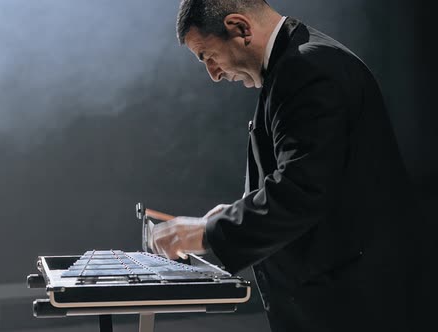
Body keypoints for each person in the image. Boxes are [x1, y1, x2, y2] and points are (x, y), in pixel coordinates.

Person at [151, 1, 416, 331]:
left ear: (239, 28)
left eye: (208, 56)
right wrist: (234, 213)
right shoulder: (299, 63)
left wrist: (208, 233)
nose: (214, 75)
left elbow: (302, 192)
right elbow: (310, 179)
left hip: (351, 307)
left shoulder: (306, 69)